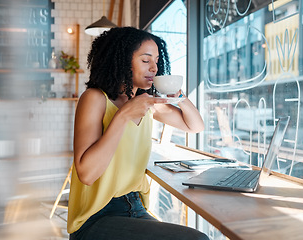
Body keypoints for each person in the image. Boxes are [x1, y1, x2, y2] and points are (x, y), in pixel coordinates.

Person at [67, 26, 208, 240]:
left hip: (135, 206)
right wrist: (122, 116)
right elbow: (86, 174)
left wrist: (178, 96)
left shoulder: (147, 104)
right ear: (122, 60)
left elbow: (195, 126)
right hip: (95, 216)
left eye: (157, 61)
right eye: (145, 60)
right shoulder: (95, 98)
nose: (154, 67)